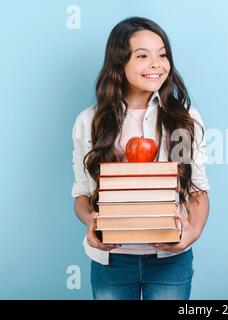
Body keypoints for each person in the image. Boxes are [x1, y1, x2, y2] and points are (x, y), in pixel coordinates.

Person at [71, 16, 210, 300]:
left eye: (162, 55)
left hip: (169, 259)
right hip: (111, 261)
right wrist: (91, 223)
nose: (156, 64)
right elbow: (83, 195)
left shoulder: (184, 120)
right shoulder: (90, 121)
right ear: (119, 63)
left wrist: (192, 232)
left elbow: (196, 188)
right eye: (142, 56)